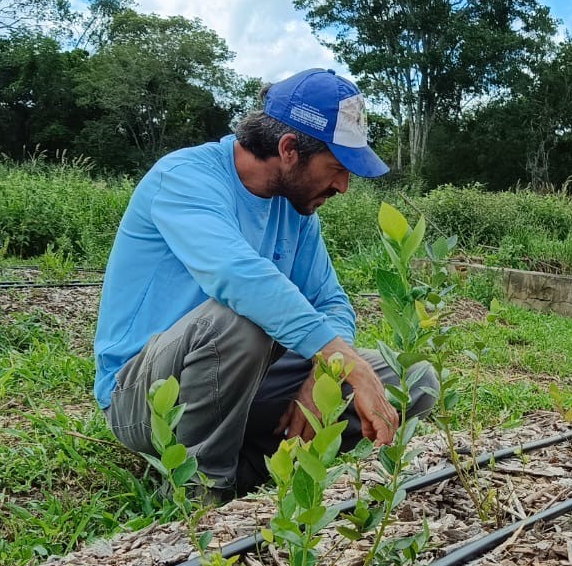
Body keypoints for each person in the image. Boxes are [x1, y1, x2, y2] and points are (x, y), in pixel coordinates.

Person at [94, 68, 438, 498]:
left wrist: (326, 371)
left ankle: (254, 472)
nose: (344, 186)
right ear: (290, 148)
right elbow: (237, 276)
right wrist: (348, 362)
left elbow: (330, 300)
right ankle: (202, 490)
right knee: (241, 319)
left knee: (414, 380)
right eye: (336, 168)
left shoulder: (296, 207)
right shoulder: (185, 177)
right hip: (144, 399)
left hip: (243, 384)